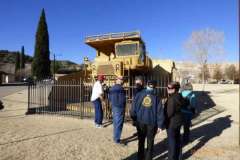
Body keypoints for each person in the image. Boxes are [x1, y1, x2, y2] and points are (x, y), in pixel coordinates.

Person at [130, 80, 165, 160]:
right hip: (151, 123)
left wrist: (134, 119)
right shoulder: (157, 97)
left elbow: (132, 110)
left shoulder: (139, 94)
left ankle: (140, 157)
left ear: (147, 85)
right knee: (150, 142)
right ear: (155, 86)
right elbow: (160, 112)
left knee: (141, 141)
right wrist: (160, 124)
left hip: (141, 121)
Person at [164, 81, 186, 160]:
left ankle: (171, 157)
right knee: (177, 139)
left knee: (171, 141)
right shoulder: (180, 96)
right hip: (178, 121)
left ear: (174, 89)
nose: (167, 89)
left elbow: (169, 113)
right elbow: (185, 104)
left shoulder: (172, 99)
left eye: (169, 88)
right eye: (167, 87)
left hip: (171, 123)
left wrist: (163, 121)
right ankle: (179, 157)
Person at [109, 76, 126, 144]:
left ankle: (115, 137)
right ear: (118, 80)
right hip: (119, 107)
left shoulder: (112, 88)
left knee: (115, 122)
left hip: (114, 106)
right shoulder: (121, 88)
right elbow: (122, 99)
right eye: (122, 80)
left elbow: (109, 97)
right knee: (119, 123)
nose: (123, 81)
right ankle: (117, 139)